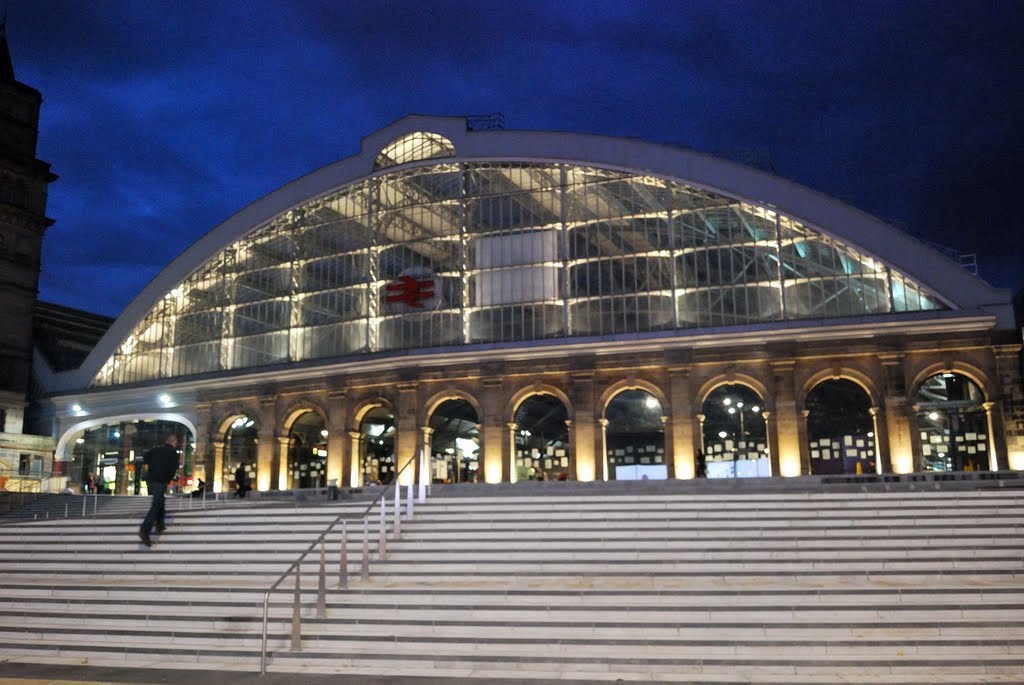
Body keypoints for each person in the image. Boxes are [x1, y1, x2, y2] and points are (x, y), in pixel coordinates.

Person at [138, 434, 179, 548]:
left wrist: (151, 468)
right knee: (156, 505)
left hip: (151, 480)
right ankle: (145, 530)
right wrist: (168, 479)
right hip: (160, 481)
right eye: (176, 442)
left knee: (160, 500)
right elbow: (173, 468)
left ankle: (160, 524)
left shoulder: (156, 450)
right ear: (174, 442)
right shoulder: (173, 454)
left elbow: (145, 456)